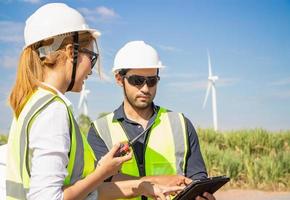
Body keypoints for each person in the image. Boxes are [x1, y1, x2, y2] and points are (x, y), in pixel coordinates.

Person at [6, 4, 182, 200]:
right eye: (92, 57)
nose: (91, 69)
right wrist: (102, 173)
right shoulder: (53, 111)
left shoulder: (32, 104)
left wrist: (142, 186)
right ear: (71, 52)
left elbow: (84, 194)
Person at [88, 41, 216, 200]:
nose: (145, 88)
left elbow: (197, 179)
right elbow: (98, 184)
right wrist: (156, 182)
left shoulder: (180, 124)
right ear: (119, 79)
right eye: (137, 80)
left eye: (152, 81)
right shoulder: (100, 130)